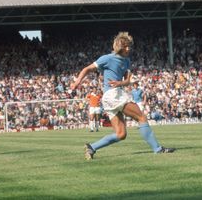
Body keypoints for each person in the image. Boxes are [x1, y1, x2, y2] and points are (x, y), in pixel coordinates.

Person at [71, 32, 175, 160]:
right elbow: (87, 69)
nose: (128, 48)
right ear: (119, 47)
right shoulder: (107, 58)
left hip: (111, 97)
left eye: (129, 46)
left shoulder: (126, 61)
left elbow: (127, 81)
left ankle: (92, 147)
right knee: (141, 117)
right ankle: (157, 149)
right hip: (113, 95)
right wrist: (77, 82)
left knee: (121, 134)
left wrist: (121, 82)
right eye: (126, 46)